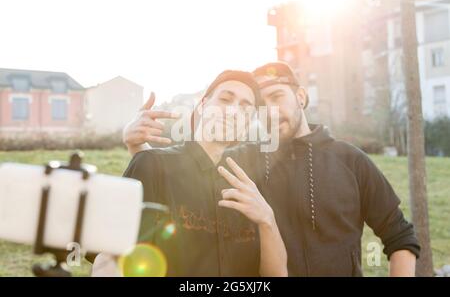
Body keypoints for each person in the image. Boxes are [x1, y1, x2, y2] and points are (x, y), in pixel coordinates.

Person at [123, 62, 420, 276]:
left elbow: (399, 236)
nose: (271, 111)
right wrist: (135, 144)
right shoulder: (241, 160)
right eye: (261, 105)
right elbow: (177, 171)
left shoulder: (350, 160)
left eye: (277, 97)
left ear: (300, 97)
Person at [92, 70, 287, 277]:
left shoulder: (249, 187)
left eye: (245, 108)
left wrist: (267, 219)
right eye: (225, 99)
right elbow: (108, 262)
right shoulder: (152, 164)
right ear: (202, 105)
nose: (233, 111)